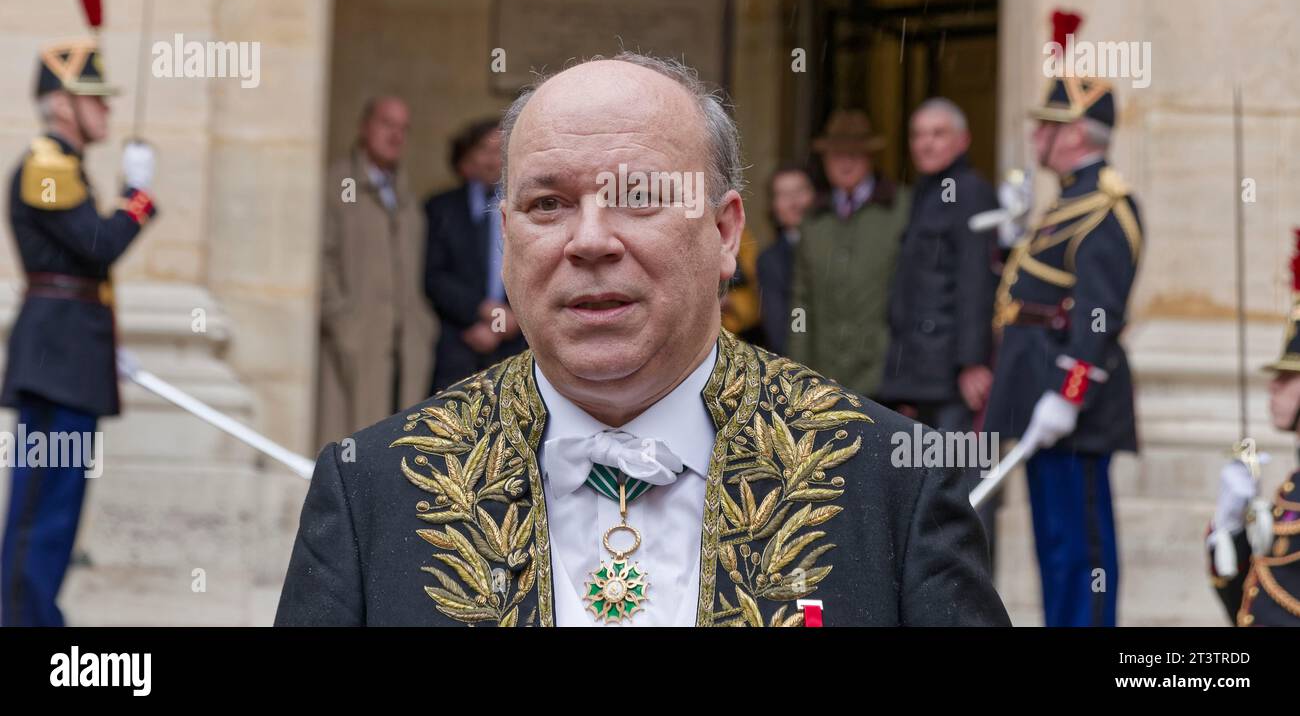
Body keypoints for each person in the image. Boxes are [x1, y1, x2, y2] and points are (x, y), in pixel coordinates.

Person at [276, 53, 1008, 627]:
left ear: (725, 234)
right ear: (506, 241)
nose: (590, 240)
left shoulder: (891, 488)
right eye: (548, 203)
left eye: (640, 196)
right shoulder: (372, 490)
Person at [1, 0, 160, 626]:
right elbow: (96, 246)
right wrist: (137, 198)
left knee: (59, 506)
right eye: (94, 100)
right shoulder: (47, 162)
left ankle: (36, 616)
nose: (105, 112)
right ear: (63, 105)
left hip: (70, 352)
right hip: (56, 354)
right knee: (42, 507)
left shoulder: (66, 164)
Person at [984, 60, 1143, 627]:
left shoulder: (1105, 207)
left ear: (1074, 133)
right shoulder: (1065, 203)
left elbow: (1099, 318)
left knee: (1081, 548)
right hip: (1038, 388)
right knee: (1055, 542)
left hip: (1069, 400)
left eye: (1047, 125)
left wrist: (1069, 394)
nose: (1035, 136)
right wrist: (1011, 236)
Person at [317, 95, 436, 445]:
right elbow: (321, 260)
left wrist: (421, 326)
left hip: (405, 344)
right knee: (351, 441)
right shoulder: (338, 185)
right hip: (357, 338)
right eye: (387, 124)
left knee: (397, 442)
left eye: (404, 129)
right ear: (365, 127)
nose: (396, 135)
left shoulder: (407, 196)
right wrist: (342, 321)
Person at [880, 99, 998, 429]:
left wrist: (972, 363)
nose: (925, 143)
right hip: (920, 371)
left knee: (957, 472)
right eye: (918, 135)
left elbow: (976, 279)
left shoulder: (971, 190)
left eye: (938, 134)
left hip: (952, 372)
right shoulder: (923, 192)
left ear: (963, 140)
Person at [1206, 230, 1300, 626]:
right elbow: (1246, 604)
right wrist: (1229, 533)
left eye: (1287, 377)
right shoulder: (1290, 488)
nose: (1272, 387)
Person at [787, 110, 910, 401]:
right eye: (836, 154)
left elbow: (914, 297)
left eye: (855, 153)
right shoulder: (813, 219)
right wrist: (797, 373)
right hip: (824, 380)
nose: (845, 162)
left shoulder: (901, 209)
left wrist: (906, 377)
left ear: (870, 158)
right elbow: (800, 301)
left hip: (885, 378)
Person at [423, 119, 525, 394]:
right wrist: (480, 313)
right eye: (484, 149)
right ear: (469, 155)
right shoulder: (441, 208)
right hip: (459, 340)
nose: (493, 159)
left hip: (518, 342)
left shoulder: (528, 206)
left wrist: (512, 318)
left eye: (499, 150)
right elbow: (434, 276)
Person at [757, 164, 815, 355]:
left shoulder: (837, 247)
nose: (794, 202)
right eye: (783, 195)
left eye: (799, 191)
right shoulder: (770, 261)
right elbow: (783, 324)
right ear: (773, 206)